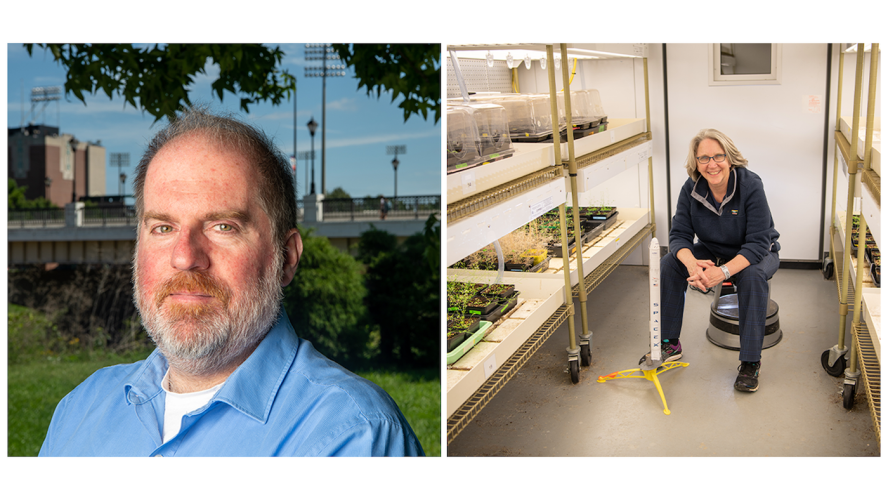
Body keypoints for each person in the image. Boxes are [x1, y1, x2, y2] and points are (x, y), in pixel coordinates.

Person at [39, 107, 424, 456]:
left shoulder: (354, 436)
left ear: (286, 258)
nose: (185, 256)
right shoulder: (79, 408)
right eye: (163, 227)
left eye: (223, 226)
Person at [641, 128, 780, 392]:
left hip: (757, 253)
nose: (712, 164)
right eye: (704, 158)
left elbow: (757, 243)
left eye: (718, 156)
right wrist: (692, 264)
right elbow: (679, 236)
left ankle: (751, 361)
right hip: (712, 250)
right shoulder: (691, 189)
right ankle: (669, 343)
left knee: (751, 276)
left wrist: (723, 272)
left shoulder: (750, 185)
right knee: (671, 263)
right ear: (695, 162)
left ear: (730, 158)